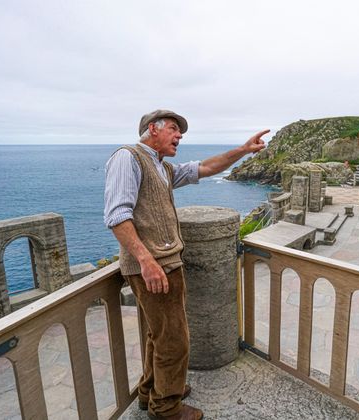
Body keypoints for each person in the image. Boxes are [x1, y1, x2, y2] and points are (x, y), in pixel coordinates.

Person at [104, 109, 268, 420]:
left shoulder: (161, 168)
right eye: (174, 129)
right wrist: (146, 261)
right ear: (153, 129)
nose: (180, 136)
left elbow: (205, 167)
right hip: (154, 267)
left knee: (160, 334)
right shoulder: (128, 158)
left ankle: (150, 391)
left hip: (164, 263)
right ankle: (166, 407)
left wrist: (243, 151)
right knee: (174, 340)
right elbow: (117, 216)